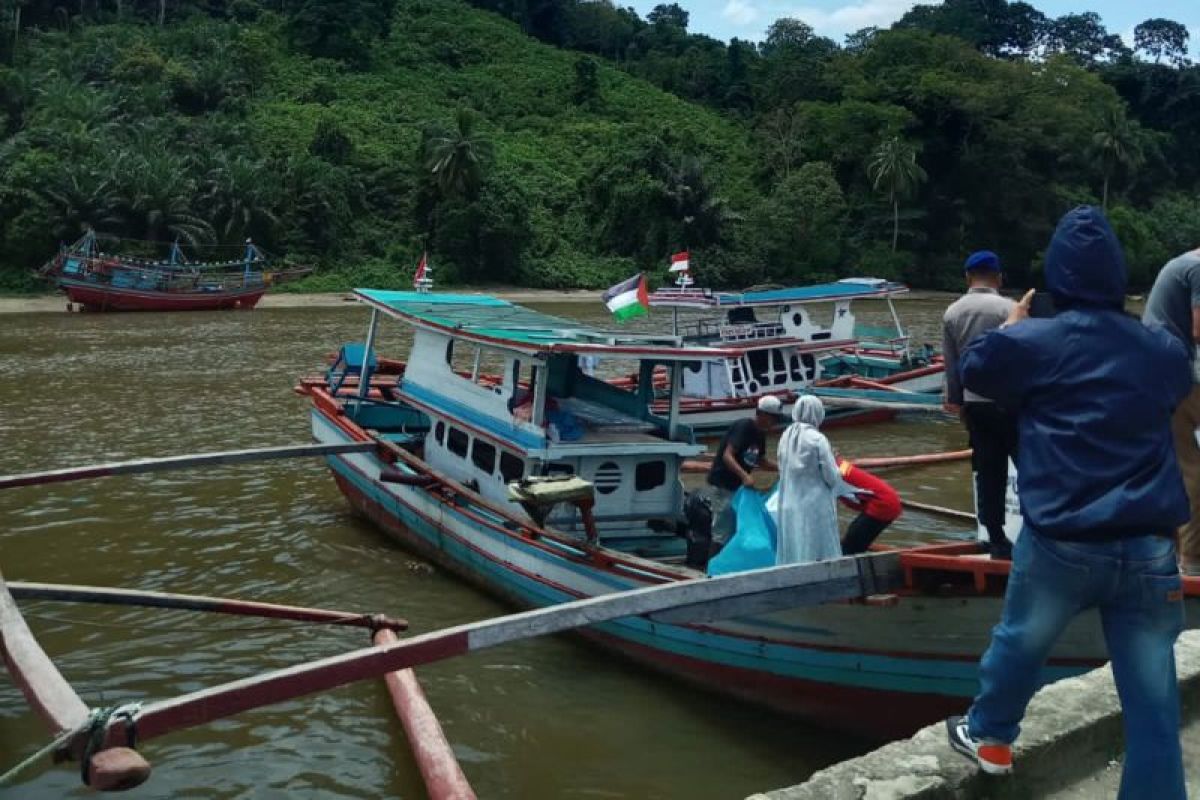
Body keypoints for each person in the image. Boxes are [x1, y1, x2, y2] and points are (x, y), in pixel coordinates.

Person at [944, 206, 1190, 800]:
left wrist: (1014, 323)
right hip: (1152, 544)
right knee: (1154, 697)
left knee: (1020, 641)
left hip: (1064, 540)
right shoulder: (1159, 348)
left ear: (1058, 274)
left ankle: (992, 736)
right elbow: (1179, 380)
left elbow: (978, 369)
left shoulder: (1034, 341)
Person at [942, 249, 1018, 560]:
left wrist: (955, 402)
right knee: (1030, 467)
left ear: (967, 277)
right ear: (999, 277)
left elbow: (951, 366)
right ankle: (1043, 530)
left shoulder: (952, 313)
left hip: (975, 405)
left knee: (988, 469)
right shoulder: (1011, 309)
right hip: (1010, 403)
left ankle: (995, 538)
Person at [1143, 246, 1200, 576]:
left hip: (1159, 374)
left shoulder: (1182, 264)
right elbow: (1198, 330)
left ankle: (1176, 553)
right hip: (1179, 377)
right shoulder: (1197, 269)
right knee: (1191, 469)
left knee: (1176, 466)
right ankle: (1192, 561)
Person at [704, 395, 784, 548]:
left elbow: (760, 460)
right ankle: (712, 569)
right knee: (723, 531)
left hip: (738, 489)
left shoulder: (760, 434)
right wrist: (745, 475)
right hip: (723, 485)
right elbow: (728, 455)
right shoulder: (744, 427)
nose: (775, 423)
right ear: (762, 414)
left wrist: (783, 467)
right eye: (773, 418)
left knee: (735, 529)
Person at [775, 395, 841, 564]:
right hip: (815, 504)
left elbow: (782, 467)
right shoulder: (818, 439)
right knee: (817, 545)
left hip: (789, 498)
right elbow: (831, 477)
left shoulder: (785, 436)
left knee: (794, 541)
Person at [835, 458, 902, 555]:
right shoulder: (841, 465)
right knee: (856, 543)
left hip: (881, 504)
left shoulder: (834, 470)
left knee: (849, 548)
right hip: (889, 501)